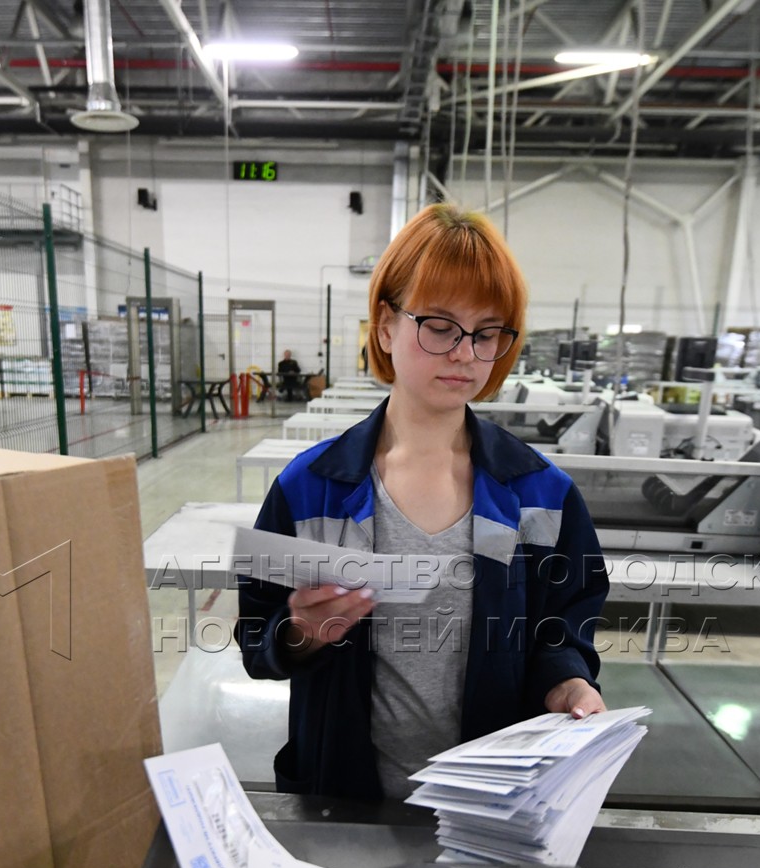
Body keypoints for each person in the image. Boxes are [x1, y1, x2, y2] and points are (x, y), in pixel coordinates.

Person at [237, 203, 609, 807]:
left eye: (487, 332)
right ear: (386, 325)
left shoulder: (544, 495)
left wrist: (567, 682)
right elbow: (257, 634)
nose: (465, 353)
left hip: (490, 804)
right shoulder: (308, 487)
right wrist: (301, 634)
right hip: (345, 799)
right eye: (440, 325)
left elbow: (561, 629)